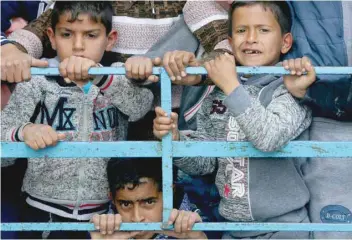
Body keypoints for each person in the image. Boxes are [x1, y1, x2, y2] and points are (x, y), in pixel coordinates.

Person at [154, 2, 314, 238]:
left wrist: (230, 84)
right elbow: (206, 163)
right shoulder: (219, 94)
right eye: (241, 30)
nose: (250, 38)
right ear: (230, 42)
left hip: (285, 228)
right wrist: (176, 141)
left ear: (285, 42)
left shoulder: (291, 87)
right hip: (234, 229)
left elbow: (268, 139)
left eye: (263, 30)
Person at [1, 1, 154, 238]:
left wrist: (101, 78)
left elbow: (140, 108)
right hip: (42, 211)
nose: (78, 46)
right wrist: (24, 131)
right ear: (51, 37)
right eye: (67, 34)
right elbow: (3, 145)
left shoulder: (116, 74)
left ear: (110, 39)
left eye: (91, 35)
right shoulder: (39, 80)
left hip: (105, 215)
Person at [90, 158, 207, 239]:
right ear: (113, 199)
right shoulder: (104, 231)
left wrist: (198, 238)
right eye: (125, 204)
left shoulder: (198, 223)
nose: (137, 218)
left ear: (169, 193)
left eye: (149, 202)